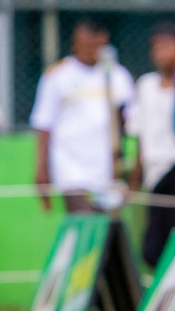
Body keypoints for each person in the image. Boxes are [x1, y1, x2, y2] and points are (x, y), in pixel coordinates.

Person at [31, 19, 135, 213]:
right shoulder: (58, 75)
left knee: (107, 226)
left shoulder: (117, 75)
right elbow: (44, 123)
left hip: (107, 167)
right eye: (88, 45)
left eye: (98, 45)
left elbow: (128, 122)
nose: (92, 50)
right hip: (70, 166)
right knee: (83, 220)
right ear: (76, 43)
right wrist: (41, 169)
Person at [130, 23, 175, 267]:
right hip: (154, 172)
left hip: (173, 168)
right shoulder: (146, 86)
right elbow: (140, 132)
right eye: (156, 47)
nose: (160, 53)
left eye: (166, 46)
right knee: (153, 248)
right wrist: (135, 173)